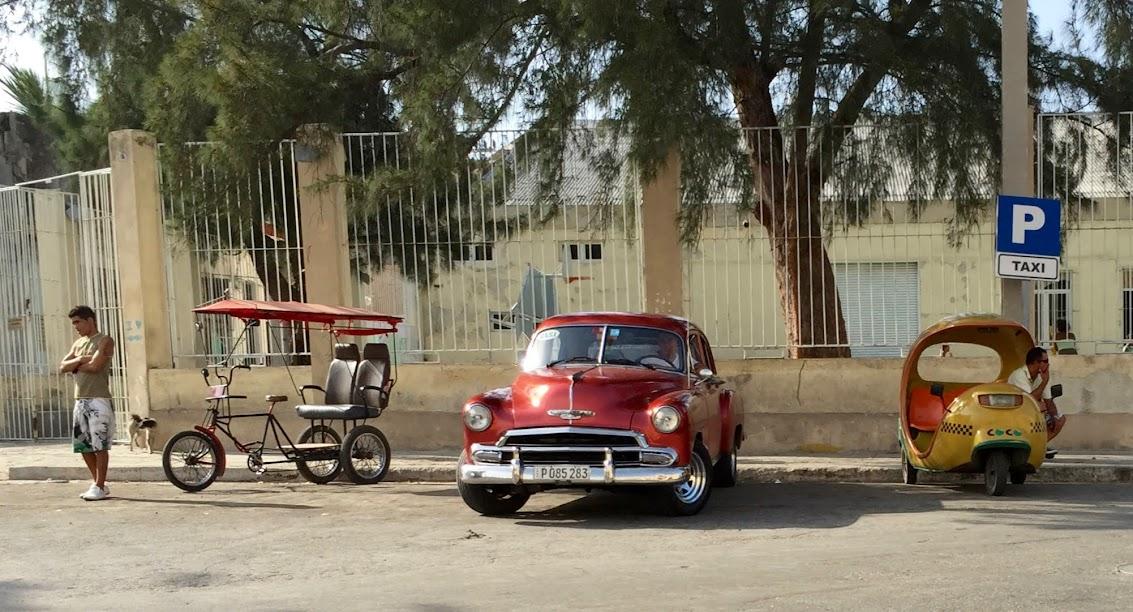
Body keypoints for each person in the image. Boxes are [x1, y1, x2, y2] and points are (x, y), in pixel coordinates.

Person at [59, 305, 117, 501]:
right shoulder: (78, 344)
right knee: (83, 445)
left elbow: (95, 366)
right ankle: (98, 484)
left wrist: (76, 364)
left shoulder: (105, 340)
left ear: (90, 320)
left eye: (78, 322)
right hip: (80, 399)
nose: (75, 326)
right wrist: (82, 359)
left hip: (98, 399)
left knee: (99, 445)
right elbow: (62, 366)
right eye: (73, 323)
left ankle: (100, 485)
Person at [1007, 347, 1066, 458]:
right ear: (1035, 363)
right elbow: (1029, 400)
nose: (1048, 365)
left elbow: (1048, 400)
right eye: (1046, 361)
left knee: (1060, 418)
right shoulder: (1019, 375)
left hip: (1030, 412)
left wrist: (1054, 416)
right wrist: (1044, 382)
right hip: (1015, 412)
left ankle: (1038, 446)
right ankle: (1032, 447)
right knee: (1040, 406)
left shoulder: (1042, 376)